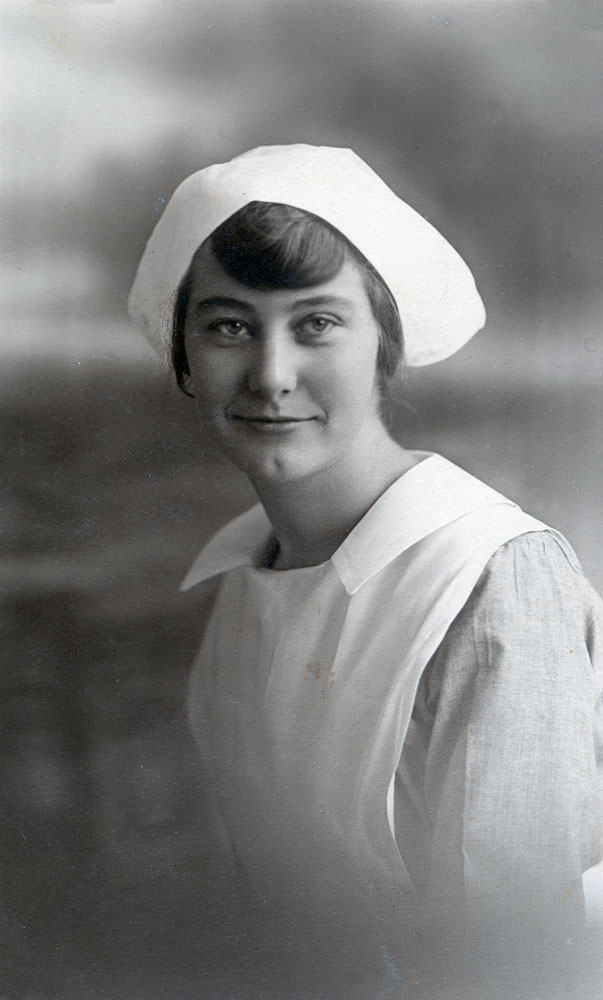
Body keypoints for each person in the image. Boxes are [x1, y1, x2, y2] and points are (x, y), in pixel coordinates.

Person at [128, 145, 603, 998]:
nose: (271, 378)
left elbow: (520, 965)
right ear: (184, 357)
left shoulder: (485, 578)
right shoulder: (245, 576)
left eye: (316, 324)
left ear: (384, 346)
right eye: (229, 326)